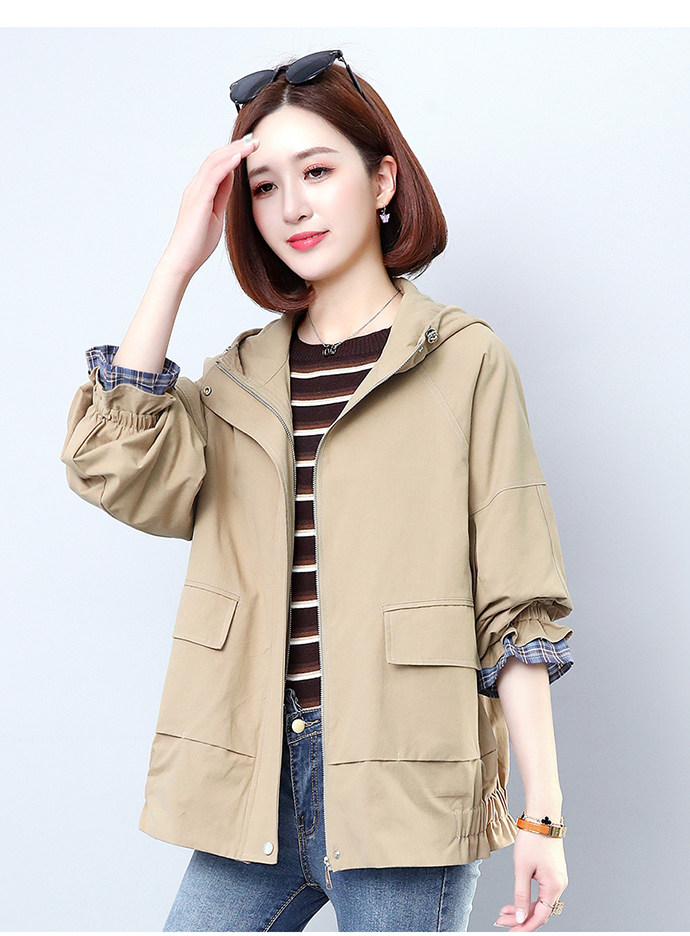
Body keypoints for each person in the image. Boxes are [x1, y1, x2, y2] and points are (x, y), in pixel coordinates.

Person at [60, 50, 575, 933]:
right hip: (255, 776)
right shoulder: (237, 380)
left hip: (405, 780)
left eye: (318, 172)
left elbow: (517, 601)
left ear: (382, 180)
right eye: (264, 186)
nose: (291, 206)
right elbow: (112, 463)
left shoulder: (463, 361)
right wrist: (177, 263)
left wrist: (543, 816)